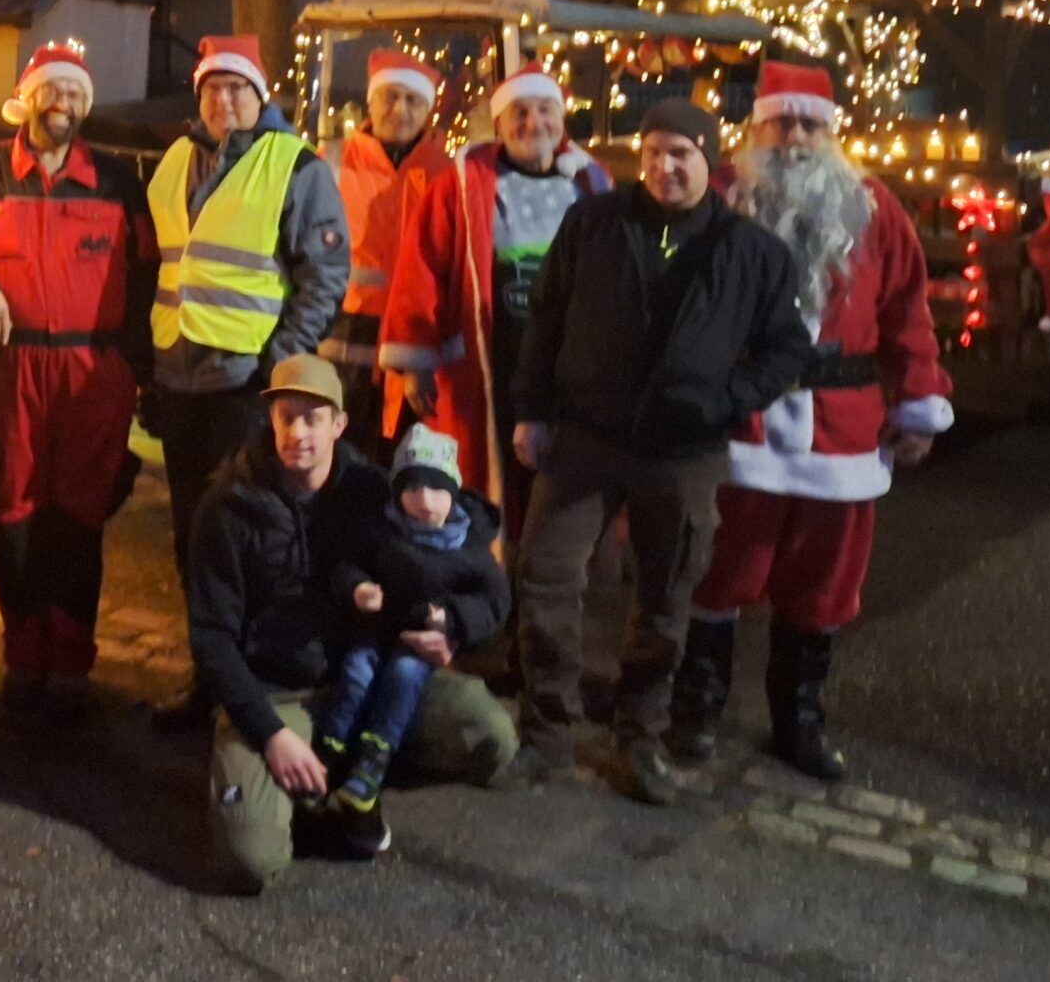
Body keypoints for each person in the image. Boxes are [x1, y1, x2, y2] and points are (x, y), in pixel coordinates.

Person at [510, 97, 812, 804]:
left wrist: (725, 401)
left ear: (710, 159)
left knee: (665, 593)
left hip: (682, 449)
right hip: (587, 434)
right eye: (651, 154)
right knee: (547, 574)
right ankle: (547, 732)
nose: (663, 167)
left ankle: (639, 735)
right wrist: (532, 410)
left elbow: (785, 350)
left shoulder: (751, 251)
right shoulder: (595, 223)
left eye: (679, 154)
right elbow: (546, 316)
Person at [668, 63, 953, 780]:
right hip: (744, 428)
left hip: (842, 434)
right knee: (715, 573)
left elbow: (908, 313)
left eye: (810, 125)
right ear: (756, 126)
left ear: (832, 132)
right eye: (781, 122)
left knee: (823, 588)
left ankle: (798, 720)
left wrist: (920, 400)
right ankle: (696, 707)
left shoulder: (873, 208)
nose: (795, 137)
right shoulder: (722, 198)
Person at [191, 357, 516, 886]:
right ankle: (299, 783)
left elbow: (465, 562)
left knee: (490, 737)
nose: (299, 432)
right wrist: (271, 735)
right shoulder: (228, 506)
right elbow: (211, 639)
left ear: (339, 425)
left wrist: (453, 627)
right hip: (276, 695)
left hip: (370, 676)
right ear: (270, 419)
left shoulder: (372, 492)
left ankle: (346, 773)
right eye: (286, 416)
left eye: (314, 418)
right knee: (249, 859)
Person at [0, 42, 156, 715]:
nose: (60, 103)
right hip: (9, 368)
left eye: (73, 94)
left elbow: (150, 273)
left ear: (83, 106)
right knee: (17, 513)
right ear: (29, 97)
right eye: (50, 90)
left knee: (78, 516)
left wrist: (131, 362)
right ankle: (23, 654)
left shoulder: (120, 181)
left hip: (93, 372)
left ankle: (70, 657)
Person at [146, 34, 350, 727]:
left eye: (238, 89)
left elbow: (325, 275)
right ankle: (207, 680)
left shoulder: (295, 166)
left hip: (242, 385)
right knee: (191, 540)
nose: (224, 102)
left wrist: (280, 365)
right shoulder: (176, 160)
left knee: (245, 539)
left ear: (260, 96)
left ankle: (256, 684)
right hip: (179, 378)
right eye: (212, 90)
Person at [380, 66, 610, 540]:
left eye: (545, 110)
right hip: (489, 364)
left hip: (569, 368)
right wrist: (415, 360)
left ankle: (546, 585)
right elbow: (421, 267)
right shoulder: (462, 185)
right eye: (519, 113)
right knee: (488, 481)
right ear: (500, 124)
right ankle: (487, 585)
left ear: (562, 119)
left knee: (559, 487)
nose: (533, 123)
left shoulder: (590, 186)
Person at [312, 423, 509, 826]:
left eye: (436, 490)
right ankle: (329, 749)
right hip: (376, 630)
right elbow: (350, 564)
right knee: (357, 671)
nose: (424, 501)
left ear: (452, 492)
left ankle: (373, 762)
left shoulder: (468, 544)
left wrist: (452, 618)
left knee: (402, 676)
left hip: (419, 643)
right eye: (412, 489)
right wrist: (359, 588)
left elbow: (495, 600)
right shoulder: (384, 529)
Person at [322, 49, 454, 450]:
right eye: (389, 96)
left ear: (427, 109)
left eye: (412, 100)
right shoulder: (329, 163)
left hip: (418, 347)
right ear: (371, 101)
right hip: (341, 340)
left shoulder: (447, 174)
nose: (400, 109)